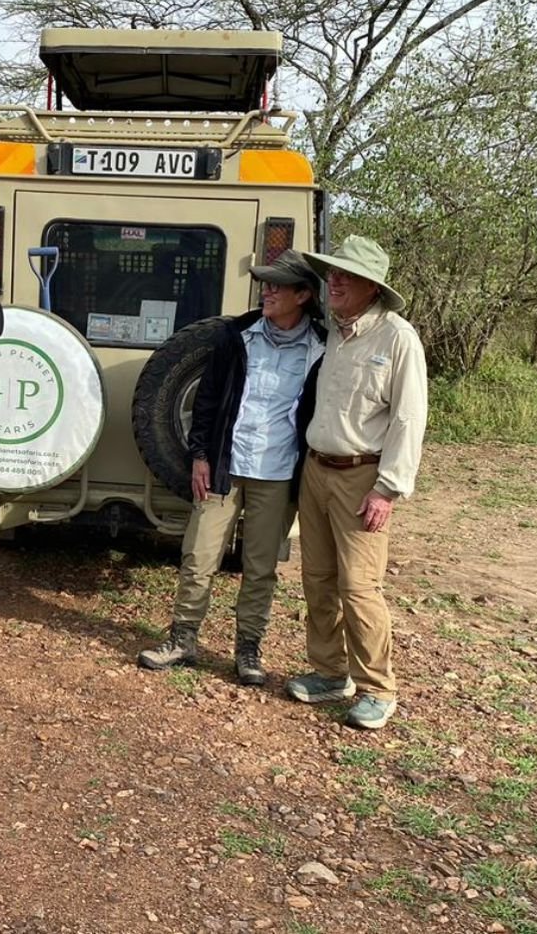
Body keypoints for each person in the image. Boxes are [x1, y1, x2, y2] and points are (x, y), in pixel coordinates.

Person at [138, 250, 326, 685]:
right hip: (226, 465)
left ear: (303, 294)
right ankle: (182, 639)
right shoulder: (236, 335)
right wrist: (200, 456)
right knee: (198, 556)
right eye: (266, 283)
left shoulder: (321, 346)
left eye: (278, 285)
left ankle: (248, 649)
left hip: (278, 474)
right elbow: (206, 402)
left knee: (259, 567)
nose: (268, 291)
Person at [284, 235, 427, 729]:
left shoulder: (396, 337)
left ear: (373, 286)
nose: (334, 281)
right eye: (332, 273)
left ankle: (378, 689)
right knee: (317, 579)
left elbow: (409, 419)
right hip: (317, 469)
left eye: (346, 275)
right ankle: (329, 672)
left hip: (362, 476)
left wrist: (388, 488)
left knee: (360, 586)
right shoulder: (335, 334)